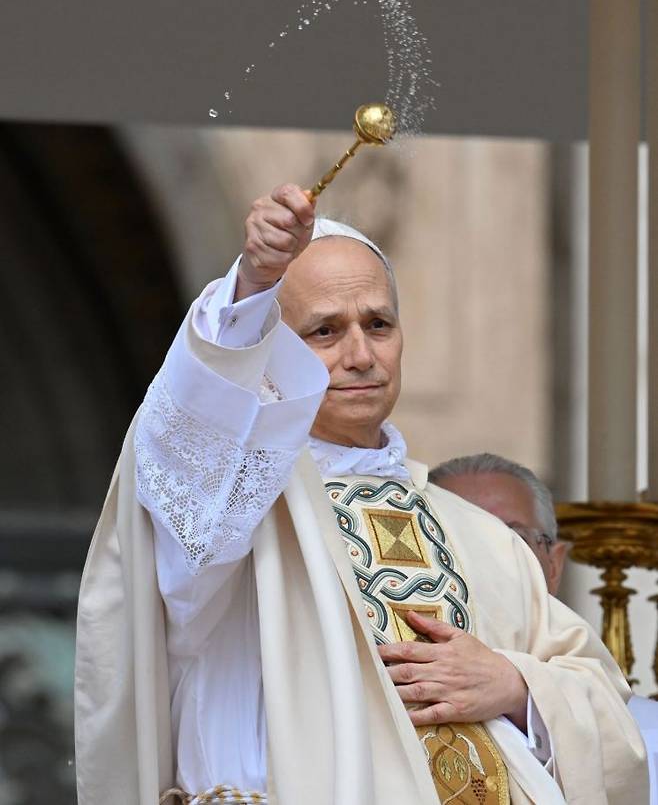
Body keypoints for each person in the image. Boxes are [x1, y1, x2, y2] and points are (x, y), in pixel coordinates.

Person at [75, 184, 648, 805]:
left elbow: (612, 716)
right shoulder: (232, 512)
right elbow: (184, 435)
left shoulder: (481, 537)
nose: (360, 355)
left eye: (378, 325)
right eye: (324, 331)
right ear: (268, 352)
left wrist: (515, 686)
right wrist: (250, 288)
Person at [430, 451, 658, 804]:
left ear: (554, 564)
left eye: (512, 539)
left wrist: (522, 691)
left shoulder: (647, 735)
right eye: (454, 537)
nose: (486, 560)